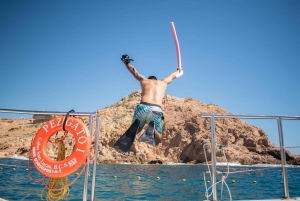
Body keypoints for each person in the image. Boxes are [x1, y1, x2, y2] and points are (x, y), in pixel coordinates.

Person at [114, 54, 183, 152]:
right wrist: (179, 70)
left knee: (136, 128)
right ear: (156, 80)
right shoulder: (163, 82)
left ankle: (137, 130)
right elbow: (173, 76)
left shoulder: (144, 80)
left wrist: (127, 63)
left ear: (149, 79)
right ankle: (152, 128)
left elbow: (134, 72)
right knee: (158, 138)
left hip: (142, 107)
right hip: (156, 110)